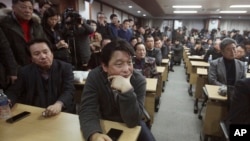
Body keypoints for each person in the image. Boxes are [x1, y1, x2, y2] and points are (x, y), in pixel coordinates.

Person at [79, 39, 155, 141]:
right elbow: (87, 109)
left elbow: (133, 121)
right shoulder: (95, 76)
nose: (126, 69)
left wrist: (127, 90)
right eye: (119, 64)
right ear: (105, 66)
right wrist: (94, 134)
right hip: (103, 121)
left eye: (129, 62)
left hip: (132, 123)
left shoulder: (139, 80)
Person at [6, 38, 75, 116]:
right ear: (31, 58)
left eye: (45, 52)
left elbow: (69, 90)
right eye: (36, 54)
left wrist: (58, 104)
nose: (43, 56)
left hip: (61, 112)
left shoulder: (65, 68)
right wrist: (8, 100)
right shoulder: (24, 71)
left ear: (52, 53)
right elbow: (14, 91)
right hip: (34, 113)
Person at [0, 0, 47, 73]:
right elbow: (5, 51)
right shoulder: (4, 25)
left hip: (37, 67)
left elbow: (45, 43)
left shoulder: (36, 24)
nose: (27, 11)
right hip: (17, 70)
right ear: (13, 8)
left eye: (30, 8)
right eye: (23, 7)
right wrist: (12, 70)